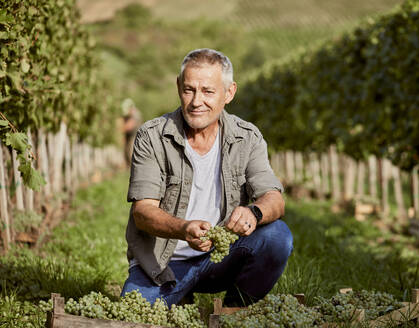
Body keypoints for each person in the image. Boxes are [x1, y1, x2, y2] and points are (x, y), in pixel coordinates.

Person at [121, 48, 293, 307]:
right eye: (189, 89)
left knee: (277, 236)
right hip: (163, 265)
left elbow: (274, 199)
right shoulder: (152, 136)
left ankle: (234, 310)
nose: (196, 101)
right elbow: (143, 212)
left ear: (229, 93)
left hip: (222, 258)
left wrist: (254, 213)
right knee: (133, 313)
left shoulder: (247, 137)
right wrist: (183, 228)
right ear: (178, 86)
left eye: (208, 91)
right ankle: (180, 294)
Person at [121, 98, 142, 168]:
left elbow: (130, 125)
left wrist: (120, 129)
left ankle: (133, 167)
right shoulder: (127, 115)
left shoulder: (135, 114)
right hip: (129, 135)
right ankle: (129, 167)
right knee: (126, 150)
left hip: (135, 135)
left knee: (131, 150)